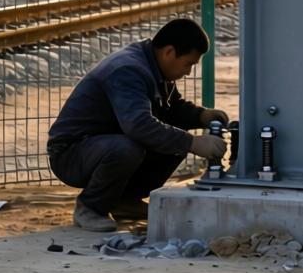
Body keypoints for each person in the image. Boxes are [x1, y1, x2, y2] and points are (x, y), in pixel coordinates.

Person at [47, 18, 229, 231]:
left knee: (173, 144)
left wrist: (201, 116)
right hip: (71, 153)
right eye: (188, 63)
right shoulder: (128, 70)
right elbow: (138, 125)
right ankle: (90, 207)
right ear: (169, 52)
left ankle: (124, 201)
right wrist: (193, 142)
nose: (188, 72)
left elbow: (171, 110)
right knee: (131, 148)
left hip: (102, 143)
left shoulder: (153, 66)